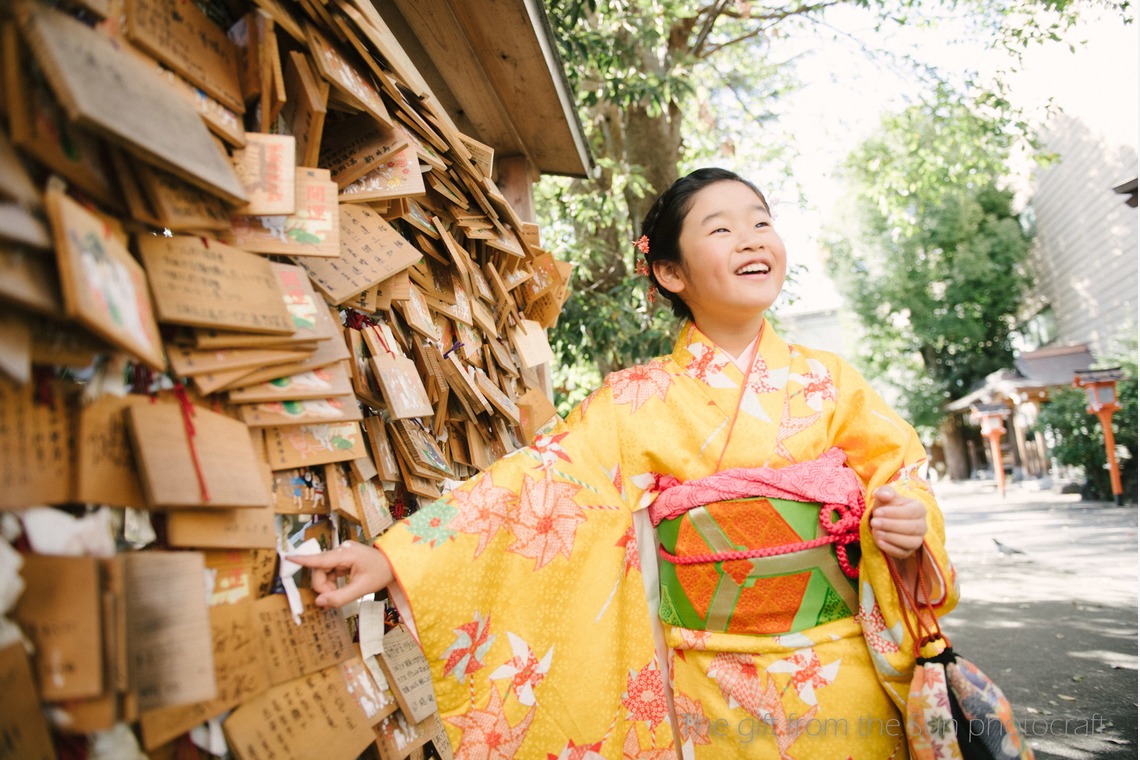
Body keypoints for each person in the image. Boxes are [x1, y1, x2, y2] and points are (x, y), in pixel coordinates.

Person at [291, 168, 957, 759]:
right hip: (713, 693)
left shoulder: (831, 380)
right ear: (670, 273)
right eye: (721, 229)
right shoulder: (636, 399)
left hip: (840, 677)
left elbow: (900, 476)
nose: (751, 240)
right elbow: (541, 483)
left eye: (761, 223)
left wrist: (907, 521)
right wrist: (393, 559)